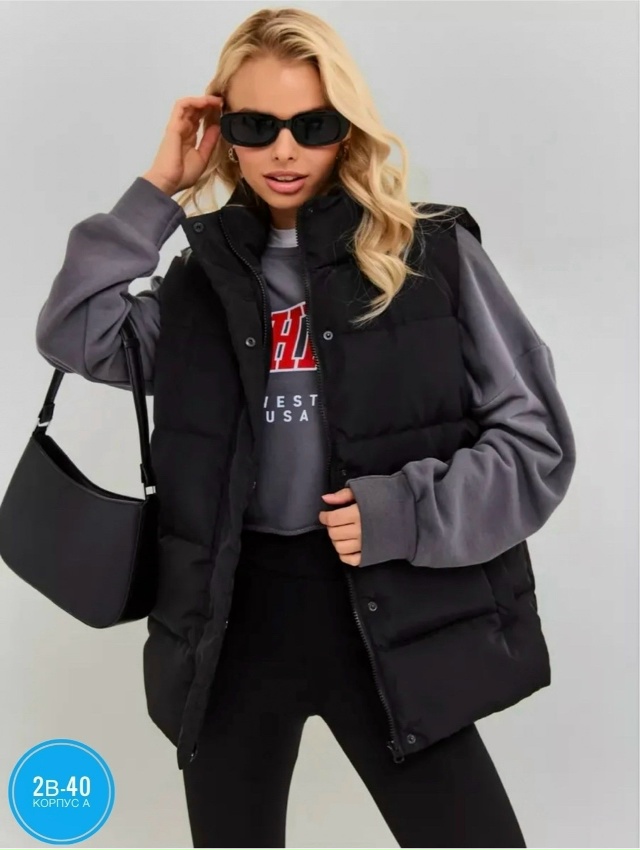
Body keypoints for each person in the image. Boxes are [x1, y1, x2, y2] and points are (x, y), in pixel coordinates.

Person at [34, 6, 577, 848]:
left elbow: (537, 443)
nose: (284, 150)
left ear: (346, 128)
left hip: (388, 609)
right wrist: (157, 190)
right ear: (225, 133)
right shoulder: (196, 283)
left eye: (311, 125)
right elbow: (73, 331)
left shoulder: (430, 256)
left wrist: (404, 510)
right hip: (230, 622)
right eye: (256, 125)